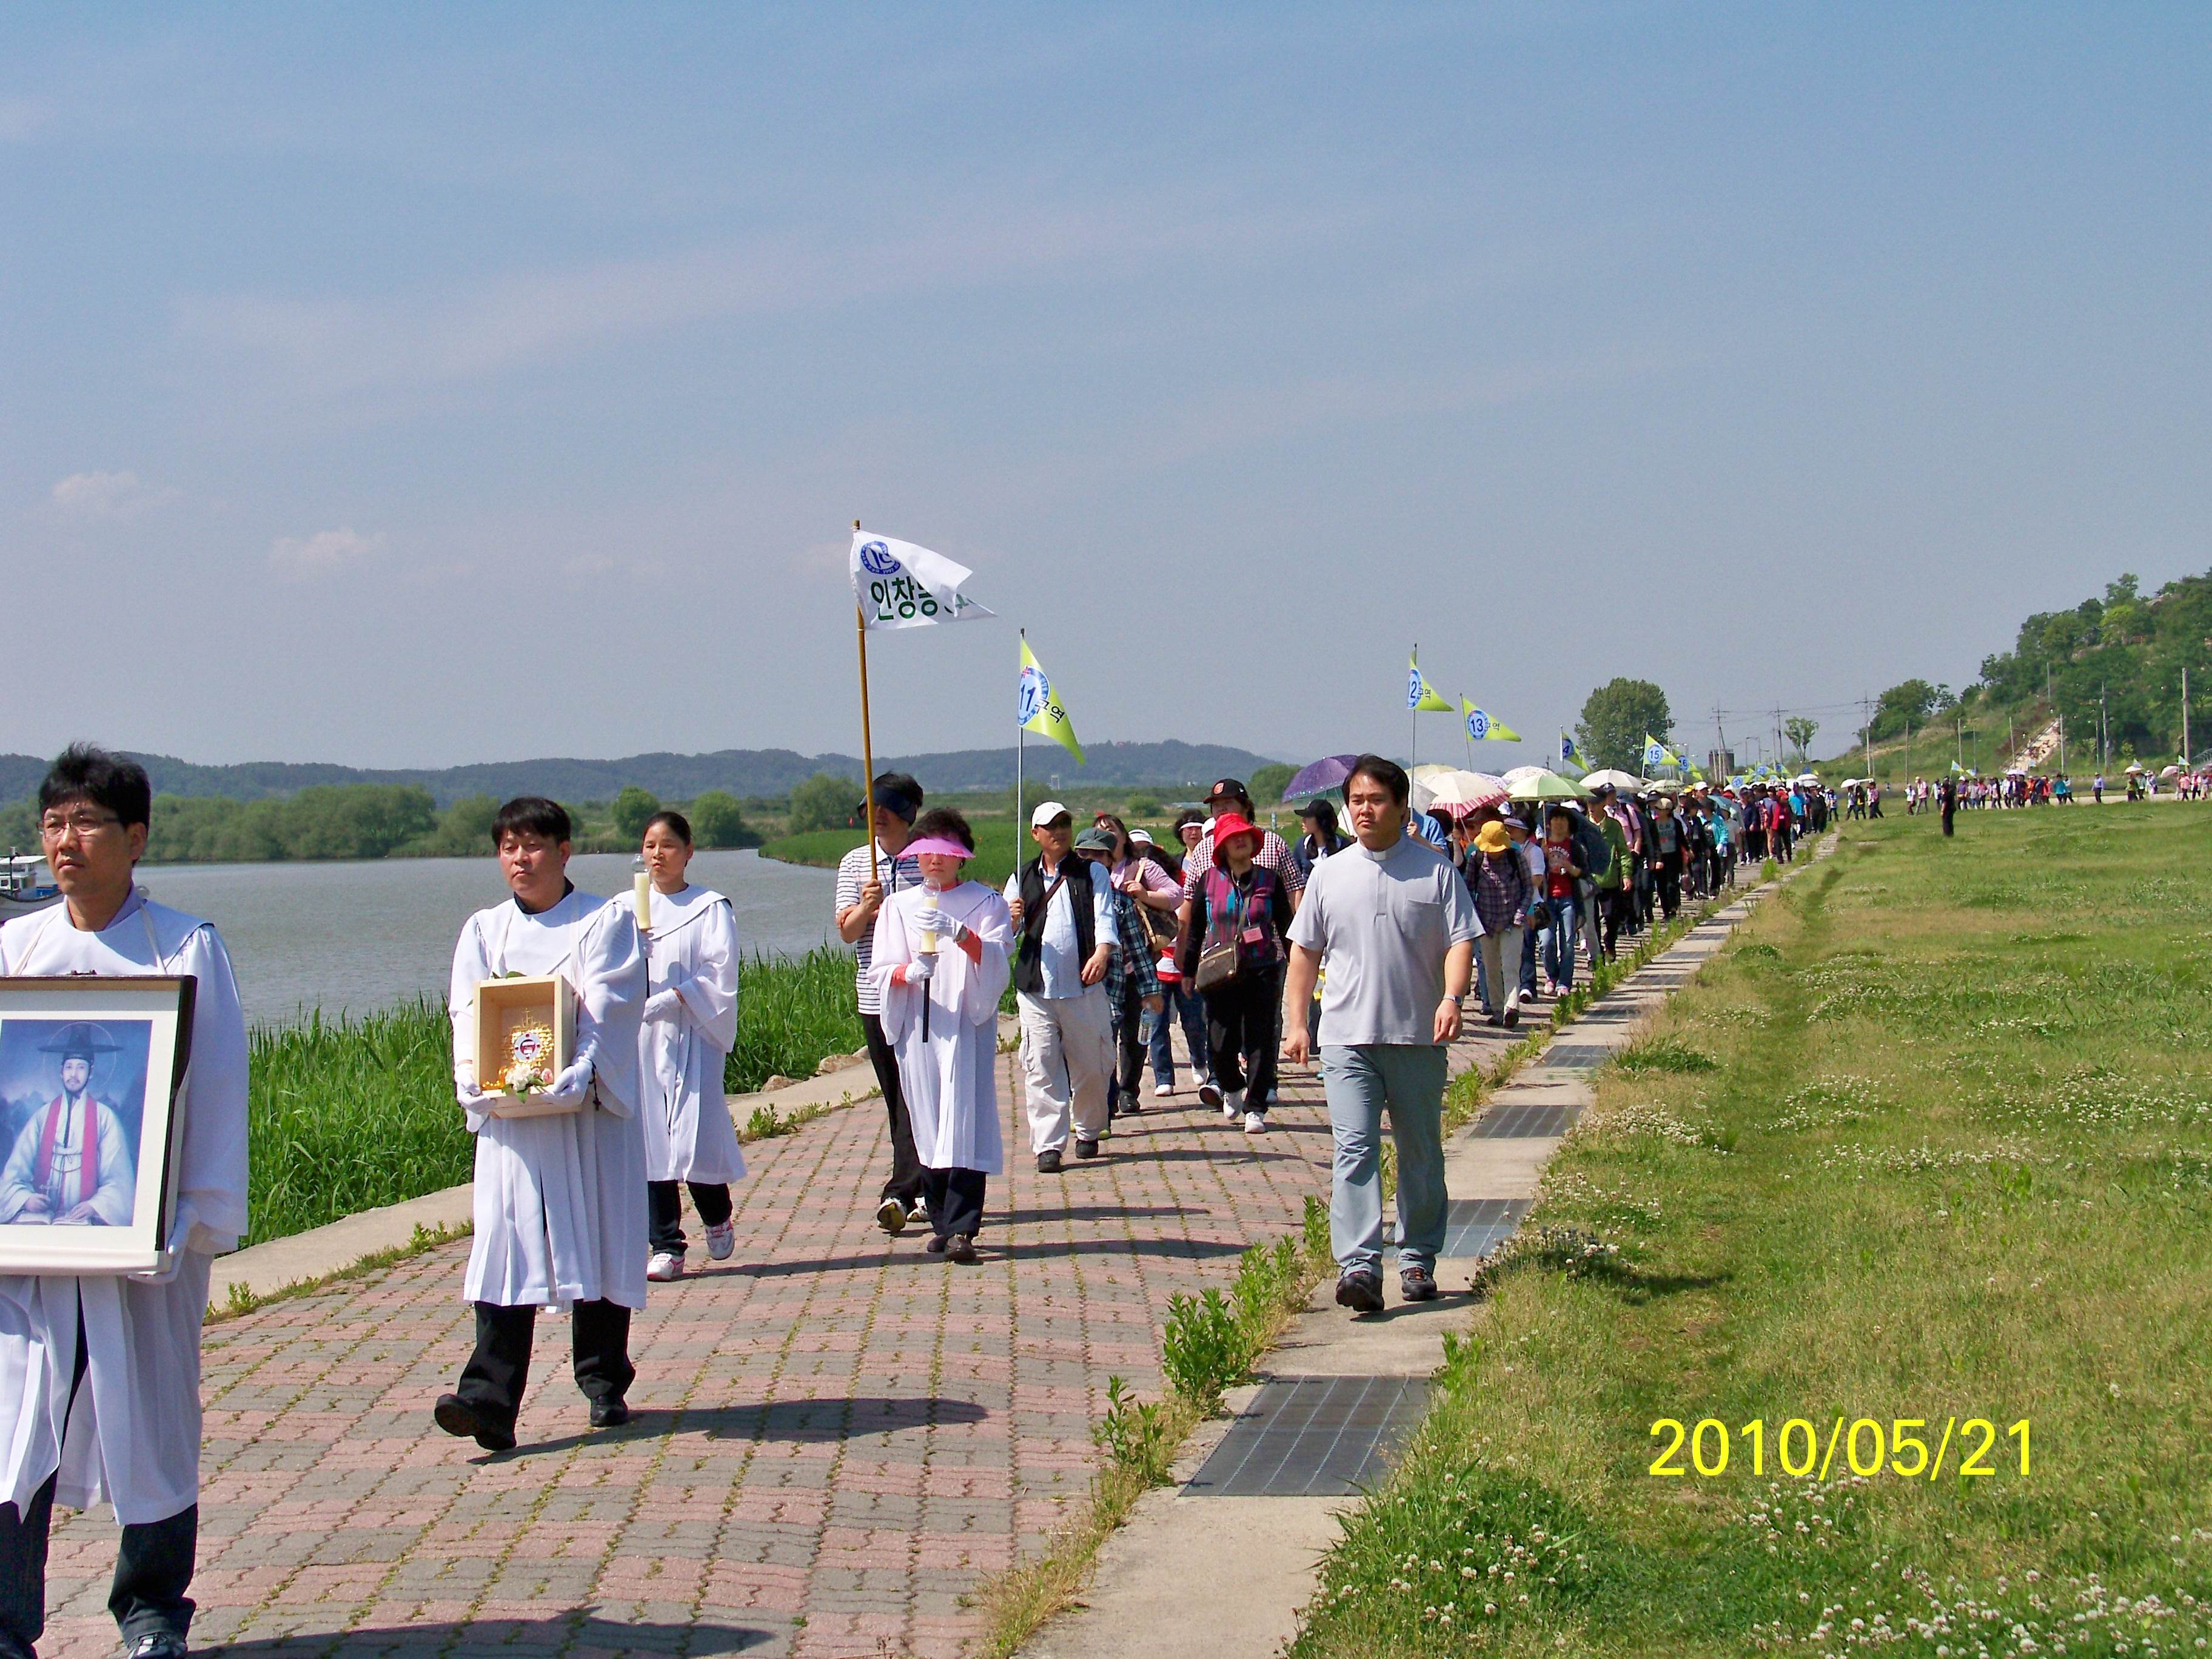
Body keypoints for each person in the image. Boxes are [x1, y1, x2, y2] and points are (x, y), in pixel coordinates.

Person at [0, 747, 249, 1659]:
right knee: (11, 1429)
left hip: (144, 1249)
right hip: (27, 1256)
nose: (66, 842)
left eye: (87, 823)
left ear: (135, 838)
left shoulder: (182, 948)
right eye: (53, 824)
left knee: (153, 1422)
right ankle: (7, 1622)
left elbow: (215, 1089)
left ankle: (151, 1612)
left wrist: (190, 1221)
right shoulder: (16, 950)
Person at [435, 797, 647, 1452]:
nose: (520, 859)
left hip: (585, 1114)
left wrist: (580, 1070)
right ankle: (488, 1402)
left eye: (532, 845)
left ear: (563, 851)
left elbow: (611, 1005)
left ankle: (604, 1382)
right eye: (508, 848)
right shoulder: (484, 930)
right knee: (506, 1245)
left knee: (599, 1237)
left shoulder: (606, 920)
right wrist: (473, 1074)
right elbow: (467, 1011)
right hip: (516, 1123)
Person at [1281, 756, 1478, 1313]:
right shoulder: (1329, 874)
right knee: (1354, 1149)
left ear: (1401, 806)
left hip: (1417, 1036)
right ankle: (1360, 1265)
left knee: (1420, 1151)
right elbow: (1304, 954)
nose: (1364, 810)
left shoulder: (1436, 872)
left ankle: (1417, 1255)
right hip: (1346, 1038)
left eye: (1376, 800)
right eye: (1356, 801)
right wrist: (1296, 1023)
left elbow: (1461, 941)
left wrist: (1452, 998)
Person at [866, 809, 1013, 1264]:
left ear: (961, 856)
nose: (936, 860)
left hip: (964, 1027)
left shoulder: (986, 902)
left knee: (962, 1117)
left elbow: (997, 961)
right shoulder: (898, 906)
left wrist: (963, 936)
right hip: (919, 1025)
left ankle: (963, 1227)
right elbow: (880, 969)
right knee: (927, 1118)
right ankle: (942, 1221)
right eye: (928, 850)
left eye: (947, 852)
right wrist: (908, 972)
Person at [637, 811, 745, 1284]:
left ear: (688, 852)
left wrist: (676, 998)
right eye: (650, 845)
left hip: (695, 1031)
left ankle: (716, 1214)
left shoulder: (709, 908)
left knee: (694, 1133)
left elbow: (720, 972)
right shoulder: (625, 909)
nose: (657, 855)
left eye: (668, 845)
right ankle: (666, 1244)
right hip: (642, 1036)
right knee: (649, 1137)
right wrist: (629, 954)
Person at [834, 773, 930, 1236]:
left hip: (922, 996)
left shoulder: (928, 858)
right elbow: (847, 932)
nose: (878, 816)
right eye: (871, 808)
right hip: (875, 996)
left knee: (920, 1093)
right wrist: (866, 908)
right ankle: (919, 1184)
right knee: (896, 1095)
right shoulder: (856, 862)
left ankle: (905, 1189)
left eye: (887, 808)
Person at [1006, 802, 1116, 1172]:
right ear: (1035, 834)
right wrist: (1011, 920)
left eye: (1064, 824)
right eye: (1050, 826)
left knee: (1091, 1066)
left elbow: (1104, 917)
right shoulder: (1021, 877)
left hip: (1083, 987)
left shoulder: (1092, 872)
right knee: (1041, 1066)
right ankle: (1048, 1145)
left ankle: (1089, 1129)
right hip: (1035, 990)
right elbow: (1005, 937)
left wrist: (1102, 952)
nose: (1059, 832)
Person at [1180, 811, 1295, 1134]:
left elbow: (1286, 927)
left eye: (1244, 834)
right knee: (1220, 1041)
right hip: (1220, 973)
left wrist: (1298, 967)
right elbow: (1195, 929)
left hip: (1262, 969)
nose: (1240, 840)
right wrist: (1188, 970)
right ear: (1222, 846)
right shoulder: (1209, 880)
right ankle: (1231, 1086)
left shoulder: (1269, 880)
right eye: (1232, 837)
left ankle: (1256, 1107)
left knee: (1261, 1038)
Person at [0, 1025, 138, 1228]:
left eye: (81, 1068)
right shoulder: (42, 1116)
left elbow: (119, 1180)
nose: (74, 1074)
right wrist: (25, 1199)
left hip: (85, 1219)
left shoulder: (104, 1118)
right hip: (40, 1217)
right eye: (69, 1067)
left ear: (90, 1073)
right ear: (61, 1072)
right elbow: (15, 1171)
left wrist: (95, 1206)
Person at [1075, 827, 1163, 1121]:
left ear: (1110, 861)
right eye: (1084, 854)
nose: (1090, 861)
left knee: (1129, 1041)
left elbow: (1138, 949)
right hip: (1076, 990)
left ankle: (1123, 1094)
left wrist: (1151, 990)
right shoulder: (1065, 897)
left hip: (1121, 982)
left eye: (1098, 856)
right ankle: (1103, 1102)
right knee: (1095, 1050)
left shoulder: (1120, 902)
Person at [1464, 819, 1529, 1026]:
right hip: (1486, 923)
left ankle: (1512, 1008)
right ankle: (1497, 1010)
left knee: (1511, 966)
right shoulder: (1476, 859)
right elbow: (1468, 888)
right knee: (1491, 969)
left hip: (1512, 921)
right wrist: (1474, 918)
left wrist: (1520, 915)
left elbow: (1528, 888)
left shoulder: (1516, 857)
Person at [1538, 807, 1584, 995]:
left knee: (1568, 943)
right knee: (1546, 942)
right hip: (1547, 900)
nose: (1559, 823)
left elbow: (1583, 872)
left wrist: (1569, 867)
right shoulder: (1542, 846)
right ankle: (1552, 975)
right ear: (1549, 824)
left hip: (1568, 898)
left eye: (1563, 820)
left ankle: (1564, 982)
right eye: (1555, 819)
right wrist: (1542, 857)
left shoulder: (1574, 846)